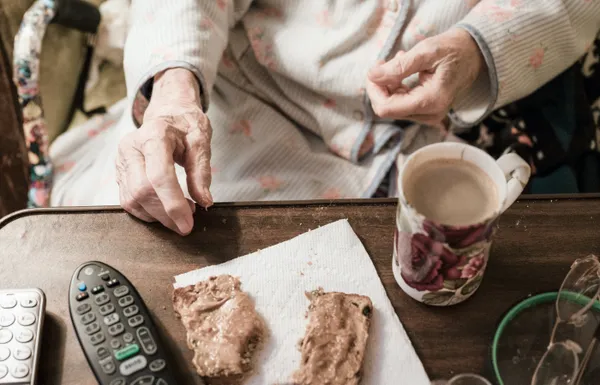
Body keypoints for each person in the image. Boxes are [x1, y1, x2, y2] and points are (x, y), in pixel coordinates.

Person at [56, 1, 600, 235]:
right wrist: (174, 87)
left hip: (411, 129)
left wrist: (479, 49)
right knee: (138, 217)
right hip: (233, 90)